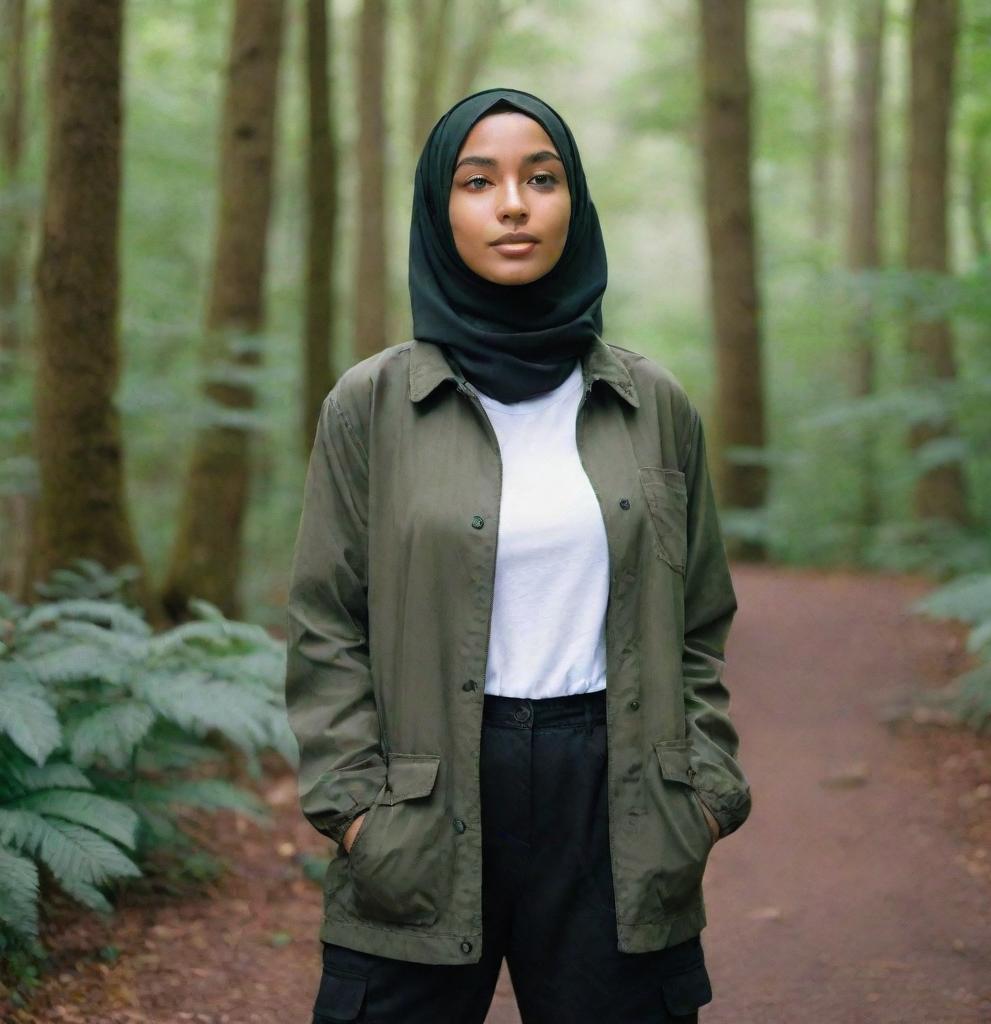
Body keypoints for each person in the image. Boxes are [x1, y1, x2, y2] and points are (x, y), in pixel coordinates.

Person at [285, 86, 752, 1024]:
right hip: (424, 794)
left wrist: (703, 791)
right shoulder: (370, 406)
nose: (512, 204)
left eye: (542, 178)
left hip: (613, 797)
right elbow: (323, 620)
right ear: (437, 206)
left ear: (573, 203)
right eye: (477, 180)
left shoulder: (650, 402)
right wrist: (357, 807)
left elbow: (700, 620)